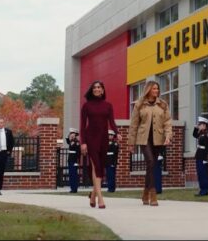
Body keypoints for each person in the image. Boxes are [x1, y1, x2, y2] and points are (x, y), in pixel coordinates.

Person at [129, 80, 173, 207]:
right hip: (144, 138)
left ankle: (145, 192)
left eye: (157, 89)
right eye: (154, 89)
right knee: (150, 162)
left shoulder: (163, 104)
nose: (156, 91)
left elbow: (167, 122)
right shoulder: (140, 104)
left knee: (152, 166)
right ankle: (153, 194)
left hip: (158, 138)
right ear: (148, 90)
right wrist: (131, 143)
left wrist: (168, 136)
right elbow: (134, 124)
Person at [80, 80, 120, 209]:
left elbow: (112, 122)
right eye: (94, 87)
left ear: (102, 90)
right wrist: (83, 142)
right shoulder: (86, 106)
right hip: (90, 138)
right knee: (96, 166)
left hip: (103, 139)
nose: (97, 89)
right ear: (92, 90)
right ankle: (100, 199)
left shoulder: (108, 105)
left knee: (100, 167)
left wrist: (117, 132)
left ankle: (92, 196)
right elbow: (82, 126)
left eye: (99, 87)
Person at [192, 115, 208, 196]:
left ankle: (205, 190)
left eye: (200, 124)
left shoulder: (207, 135)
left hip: (203, 156)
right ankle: (201, 190)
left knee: (204, 174)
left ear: (204, 125)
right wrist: (196, 128)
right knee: (200, 174)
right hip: (199, 155)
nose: (199, 125)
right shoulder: (201, 133)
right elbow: (194, 135)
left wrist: (206, 158)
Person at [66, 128, 81, 193]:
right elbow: (67, 141)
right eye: (71, 133)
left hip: (74, 160)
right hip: (70, 160)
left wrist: (77, 162)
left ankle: (75, 188)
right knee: (71, 175)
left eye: (73, 133)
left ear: (75, 134)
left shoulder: (77, 142)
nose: (71, 135)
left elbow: (78, 153)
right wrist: (68, 135)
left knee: (74, 175)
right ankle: (72, 188)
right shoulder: (71, 141)